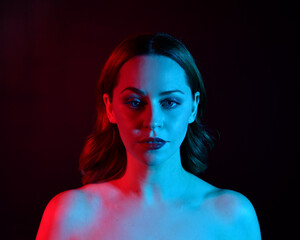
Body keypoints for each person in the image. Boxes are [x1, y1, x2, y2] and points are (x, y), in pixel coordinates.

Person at [36, 33, 261, 239]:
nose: (152, 121)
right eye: (135, 103)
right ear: (110, 107)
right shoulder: (69, 214)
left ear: (193, 107)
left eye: (170, 102)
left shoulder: (232, 216)